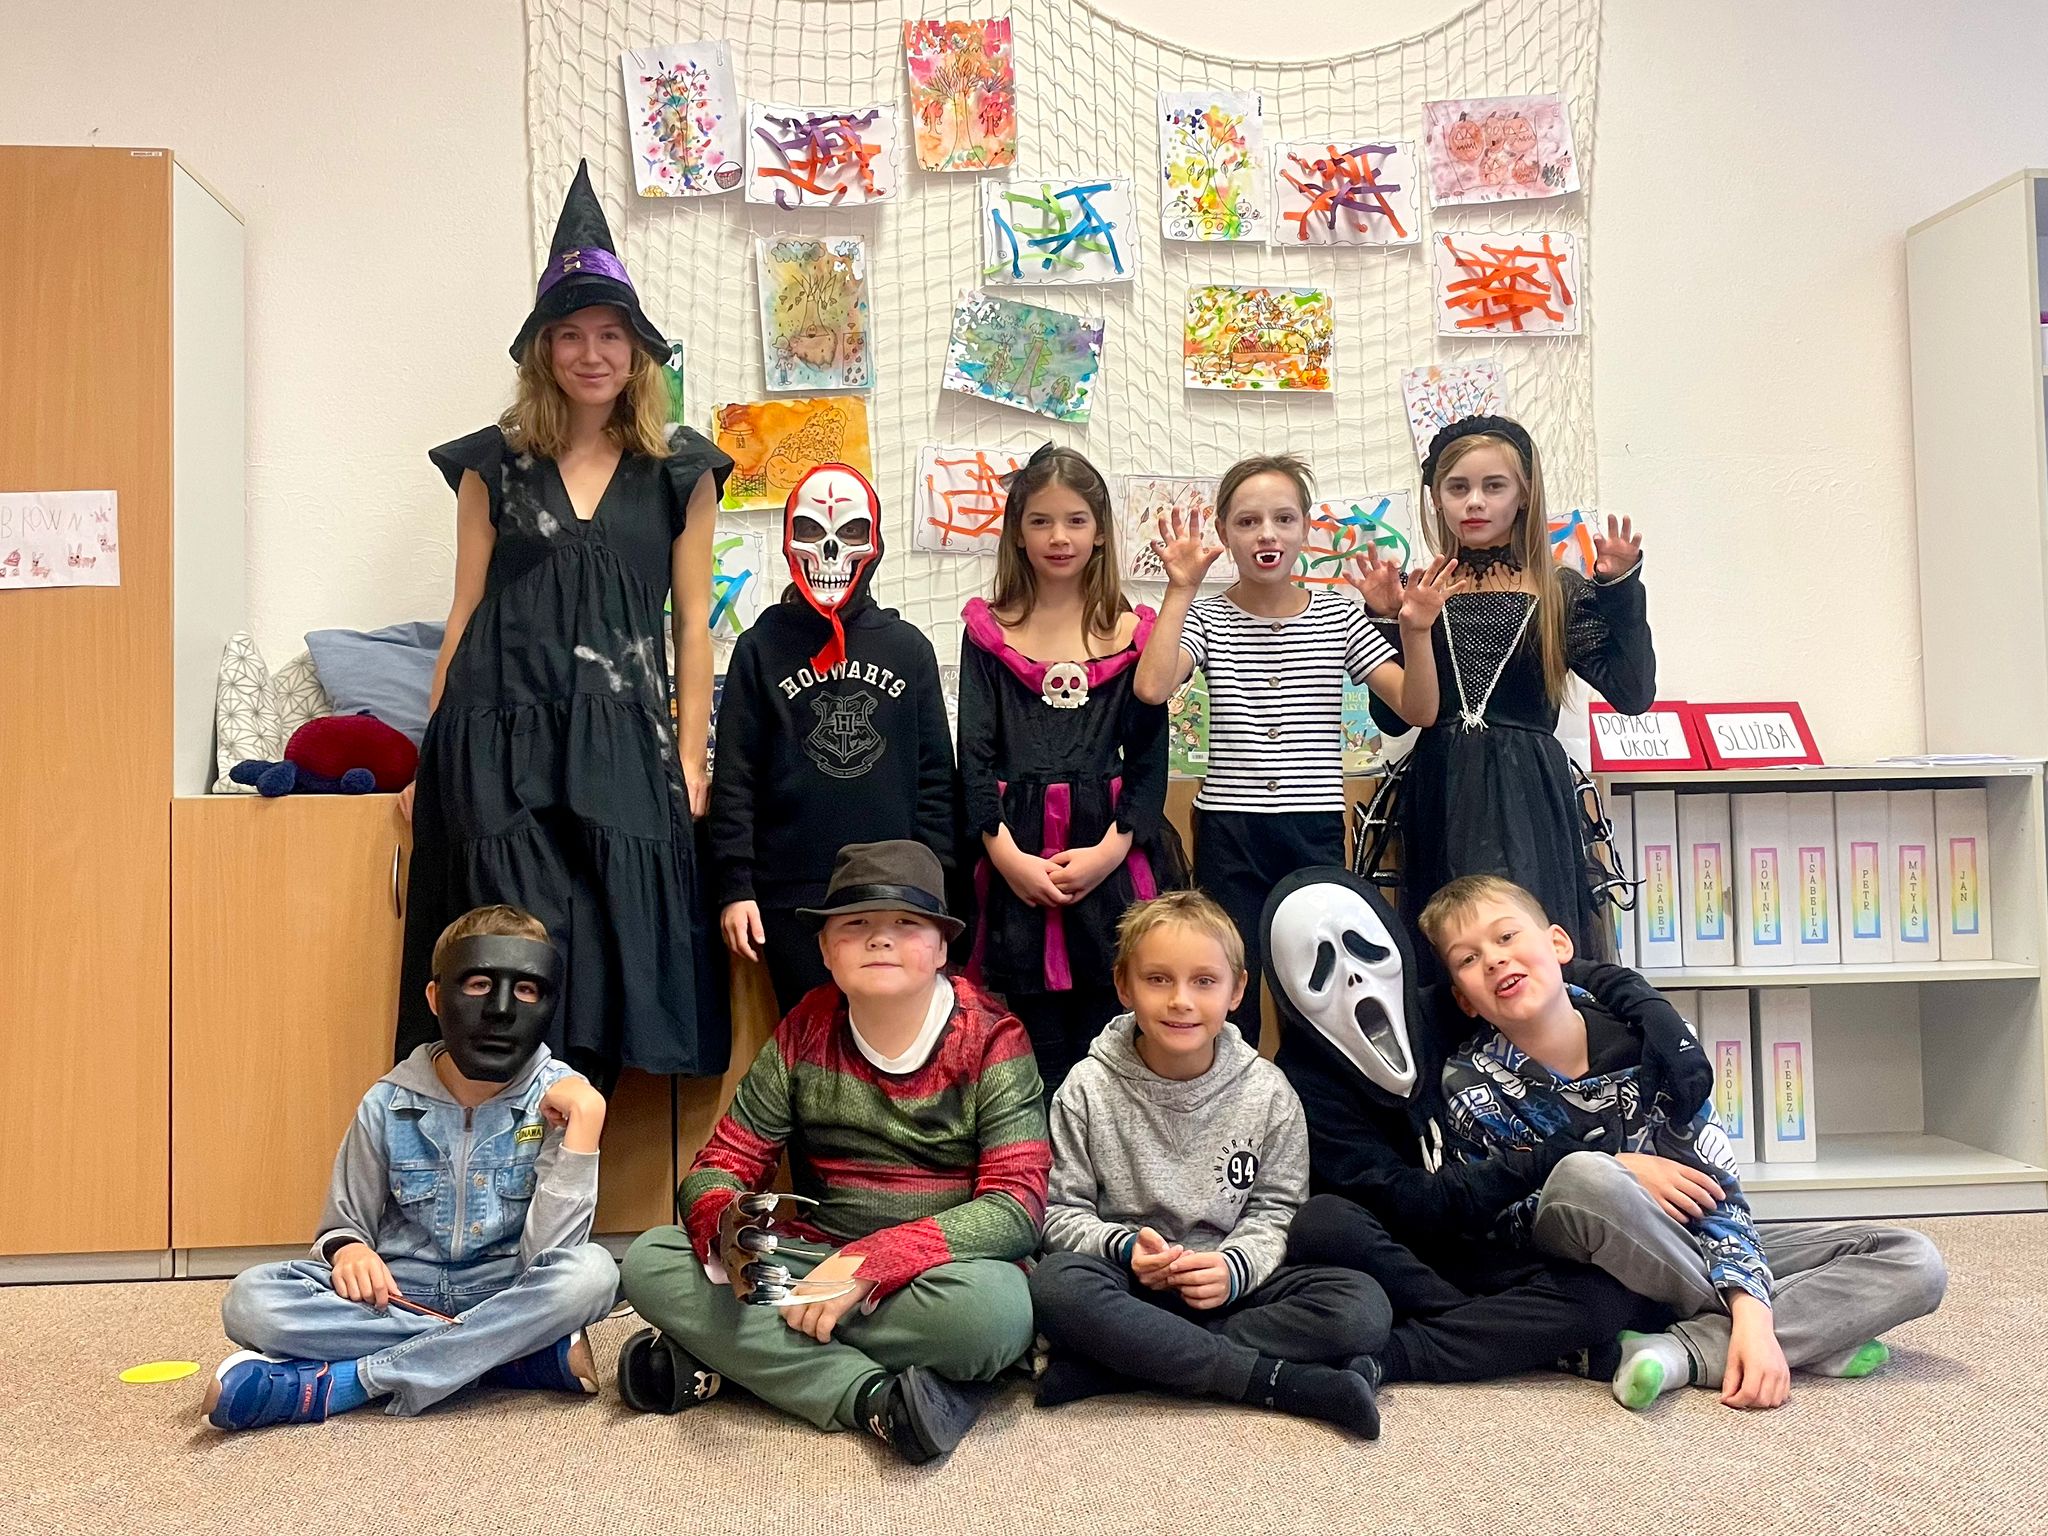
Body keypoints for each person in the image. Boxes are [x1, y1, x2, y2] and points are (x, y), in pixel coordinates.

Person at [395, 159, 732, 1086]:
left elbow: (692, 627)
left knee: (609, 961)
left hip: (622, 743)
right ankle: (500, 1165)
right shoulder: (490, 467)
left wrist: (691, 758)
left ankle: (577, 1160)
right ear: (544, 350)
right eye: (571, 334)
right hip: (494, 743)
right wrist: (428, 760)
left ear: (637, 352)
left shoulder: (681, 472)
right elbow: (465, 612)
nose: (592, 353)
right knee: (509, 965)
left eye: (611, 334)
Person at [1429, 874, 1948, 1411]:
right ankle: (1810, 1336)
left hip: (1686, 1240)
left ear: (1558, 944)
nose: (1494, 959)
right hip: (1584, 1266)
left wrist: (1753, 1314)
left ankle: (1684, 1350)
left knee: (1914, 1260)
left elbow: (1718, 1192)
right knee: (1586, 1176)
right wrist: (1618, 1168)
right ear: (1464, 1000)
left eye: (1506, 936)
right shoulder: (1467, 1083)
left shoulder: (1658, 1042)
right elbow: (1497, 1224)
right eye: (1468, 958)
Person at [616, 840, 1050, 1465]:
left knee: (995, 1316)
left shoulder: (993, 1038)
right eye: (856, 923)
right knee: (651, 1260)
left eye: (907, 923)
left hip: (939, 1274)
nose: (881, 939)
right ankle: (872, 1396)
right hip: (813, 1257)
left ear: (942, 948)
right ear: (824, 950)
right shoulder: (805, 1028)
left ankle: (735, 1361)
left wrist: (871, 1263)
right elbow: (722, 1163)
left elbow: (1016, 1207)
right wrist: (726, 1226)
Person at [1265, 866, 1710, 1387]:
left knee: (1605, 1293)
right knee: (1323, 1223)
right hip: (1408, 1260)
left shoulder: (1442, 1007)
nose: (1354, 978)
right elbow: (1407, 1202)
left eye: (1367, 951)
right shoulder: (1304, 1077)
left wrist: (1656, 1015)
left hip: (1494, 1246)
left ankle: (1493, 1339)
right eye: (1320, 969)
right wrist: (1578, 1158)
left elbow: (1555, 972)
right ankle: (1509, 1334)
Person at [203, 906, 619, 1430]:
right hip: (401, 1293)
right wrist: (350, 1251)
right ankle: (509, 1355)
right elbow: (341, 1224)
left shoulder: (561, 1099)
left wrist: (585, 1126)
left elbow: (549, 1259)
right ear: (436, 997)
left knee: (591, 1276)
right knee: (250, 1302)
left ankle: (350, 1382)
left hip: (507, 1287)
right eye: (478, 984)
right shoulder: (388, 1102)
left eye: (526, 990)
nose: (500, 1010)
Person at [1029, 891, 1389, 1435]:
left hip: (1232, 1286)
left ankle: (1126, 1360)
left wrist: (1233, 1268)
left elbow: (1279, 1209)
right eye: (1158, 979)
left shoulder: (1268, 1091)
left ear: (1236, 991)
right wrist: (1125, 1248)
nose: (1181, 1001)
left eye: (1204, 981)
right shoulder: (1086, 1088)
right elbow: (1059, 1212)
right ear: (1124, 985)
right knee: (1056, 1287)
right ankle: (1272, 1380)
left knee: (1361, 1307)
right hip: (1128, 1282)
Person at [1134, 453, 1459, 1042]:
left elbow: (1419, 711)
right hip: (1230, 830)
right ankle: (1228, 1089)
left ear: (1306, 528)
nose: (1267, 534)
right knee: (1230, 981)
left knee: (1320, 988)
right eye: (1247, 521)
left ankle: (1310, 1097)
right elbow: (1152, 688)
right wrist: (1180, 588)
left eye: (1284, 519)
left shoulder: (1338, 616)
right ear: (1224, 533)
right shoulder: (1207, 617)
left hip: (1313, 827)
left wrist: (1415, 632)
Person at [1355, 415, 1655, 979]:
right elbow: (1392, 722)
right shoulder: (1419, 590)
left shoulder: (1558, 591)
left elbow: (1632, 692)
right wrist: (1388, 620)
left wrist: (1620, 590)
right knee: (1450, 950)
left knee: (1528, 942)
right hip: (1442, 789)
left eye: (1494, 486)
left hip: (1528, 795)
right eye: (1458, 487)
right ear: (1436, 498)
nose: (1475, 502)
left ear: (1524, 495)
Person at [958, 444, 1188, 1095]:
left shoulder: (1134, 633)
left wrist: (1108, 854)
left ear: (1100, 532)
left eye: (1076, 520)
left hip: (1110, 858)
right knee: (1030, 1052)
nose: (1058, 537)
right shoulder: (987, 632)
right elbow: (973, 757)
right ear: (1017, 532)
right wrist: (1008, 859)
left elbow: (1149, 764)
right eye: (1041, 520)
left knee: (1114, 1040)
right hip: (1015, 859)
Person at [710, 462, 957, 1014]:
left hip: (897, 891)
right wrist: (736, 885)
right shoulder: (759, 648)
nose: (829, 551)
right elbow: (736, 776)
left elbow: (936, 780)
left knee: (893, 1037)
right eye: (811, 532)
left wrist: (937, 888)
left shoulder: (908, 649)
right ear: (789, 540)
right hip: (790, 893)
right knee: (809, 1040)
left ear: (874, 543)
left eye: (849, 533)